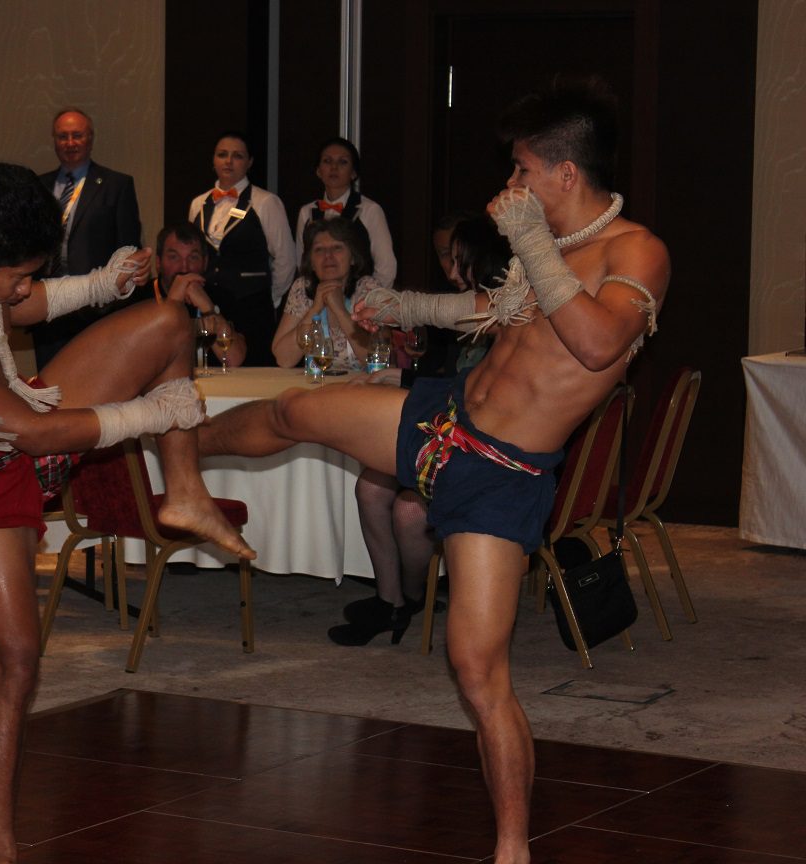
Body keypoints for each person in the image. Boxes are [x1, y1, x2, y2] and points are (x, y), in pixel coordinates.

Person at [199, 80, 668, 864]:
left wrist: (532, 242)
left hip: (501, 473)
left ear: (564, 173)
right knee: (294, 411)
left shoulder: (635, 251)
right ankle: (173, 442)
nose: (511, 185)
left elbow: (594, 345)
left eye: (522, 171)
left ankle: (512, 848)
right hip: (446, 417)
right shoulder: (551, 246)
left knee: (477, 672)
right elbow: (502, 318)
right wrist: (406, 305)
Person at [0, 163, 253, 864]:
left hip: (28, 413)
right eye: (20, 275)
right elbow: (28, 433)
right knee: (16, 662)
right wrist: (150, 414)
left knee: (168, 323)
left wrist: (102, 284)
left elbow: (10, 308)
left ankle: (184, 492)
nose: (27, 287)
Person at [333, 215, 513, 648]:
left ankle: (413, 597)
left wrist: (408, 382)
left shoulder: (511, 316)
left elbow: (479, 397)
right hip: (450, 436)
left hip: (490, 454)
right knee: (370, 487)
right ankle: (390, 600)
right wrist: (404, 374)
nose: (450, 272)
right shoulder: (467, 305)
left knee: (409, 512)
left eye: (458, 261)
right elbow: (450, 376)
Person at [30, 107, 143, 368]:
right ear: (54, 140)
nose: (70, 143)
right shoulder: (38, 186)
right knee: (48, 380)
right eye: (63, 136)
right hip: (46, 307)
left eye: (77, 135)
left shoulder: (117, 185)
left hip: (95, 309)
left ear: (90, 138)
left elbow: (128, 249)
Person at [188, 131, 294, 366]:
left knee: (253, 371)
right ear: (213, 160)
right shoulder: (198, 204)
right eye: (222, 155)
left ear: (249, 162)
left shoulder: (266, 202)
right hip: (210, 305)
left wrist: (268, 296)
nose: (228, 161)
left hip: (251, 306)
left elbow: (286, 259)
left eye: (237, 156)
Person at [271, 218, 375, 372]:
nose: (328, 256)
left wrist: (340, 310)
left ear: (353, 257)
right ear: (311, 262)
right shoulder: (302, 288)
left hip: (360, 383)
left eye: (337, 248)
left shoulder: (368, 289)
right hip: (316, 382)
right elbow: (283, 359)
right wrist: (314, 310)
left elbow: (373, 359)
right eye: (319, 249)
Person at [293, 136, 396, 290]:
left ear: (353, 172)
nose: (334, 167)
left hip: (359, 298)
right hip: (318, 296)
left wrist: (369, 299)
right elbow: (303, 264)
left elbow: (386, 267)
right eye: (327, 161)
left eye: (343, 162)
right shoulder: (306, 212)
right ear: (318, 171)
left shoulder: (370, 210)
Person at [152, 222, 246, 368]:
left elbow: (233, 360)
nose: (184, 267)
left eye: (193, 257)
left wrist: (207, 307)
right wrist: (173, 303)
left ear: (205, 262)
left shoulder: (222, 297)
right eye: (174, 257)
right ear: (158, 262)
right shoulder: (138, 298)